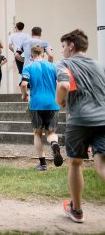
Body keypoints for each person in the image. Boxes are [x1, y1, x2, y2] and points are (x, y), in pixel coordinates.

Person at [55, 29, 105, 223]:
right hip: (102, 119)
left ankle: (76, 210)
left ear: (71, 46)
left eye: (63, 47)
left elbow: (64, 86)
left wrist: (59, 102)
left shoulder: (65, 63)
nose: (62, 51)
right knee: (102, 166)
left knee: (76, 163)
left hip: (79, 120)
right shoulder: (99, 65)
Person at [20, 45, 63, 172]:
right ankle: (54, 145)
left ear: (31, 56)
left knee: (37, 133)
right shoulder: (53, 66)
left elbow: (23, 84)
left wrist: (24, 95)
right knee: (51, 133)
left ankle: (43, 164)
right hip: (52, 103)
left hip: (36, 104)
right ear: (43, 55)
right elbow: (61, 83)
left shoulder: (28, 67)